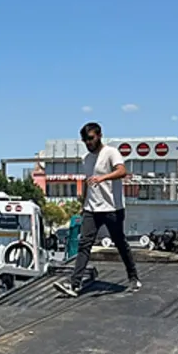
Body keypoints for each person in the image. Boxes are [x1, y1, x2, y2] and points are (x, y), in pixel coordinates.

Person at [55, 122, 140, 297]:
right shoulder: (86, 159)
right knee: (84, 244)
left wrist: (103, 178)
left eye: (91, 138)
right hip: (91, 208)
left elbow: (122, 171)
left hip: (112, 208)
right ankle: (74, 284)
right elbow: (88, 181)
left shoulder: (111, 152)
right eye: (85, 140)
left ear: (100, 135)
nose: (88, 142)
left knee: (120, 242)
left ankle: (133, 277)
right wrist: (83, 204)